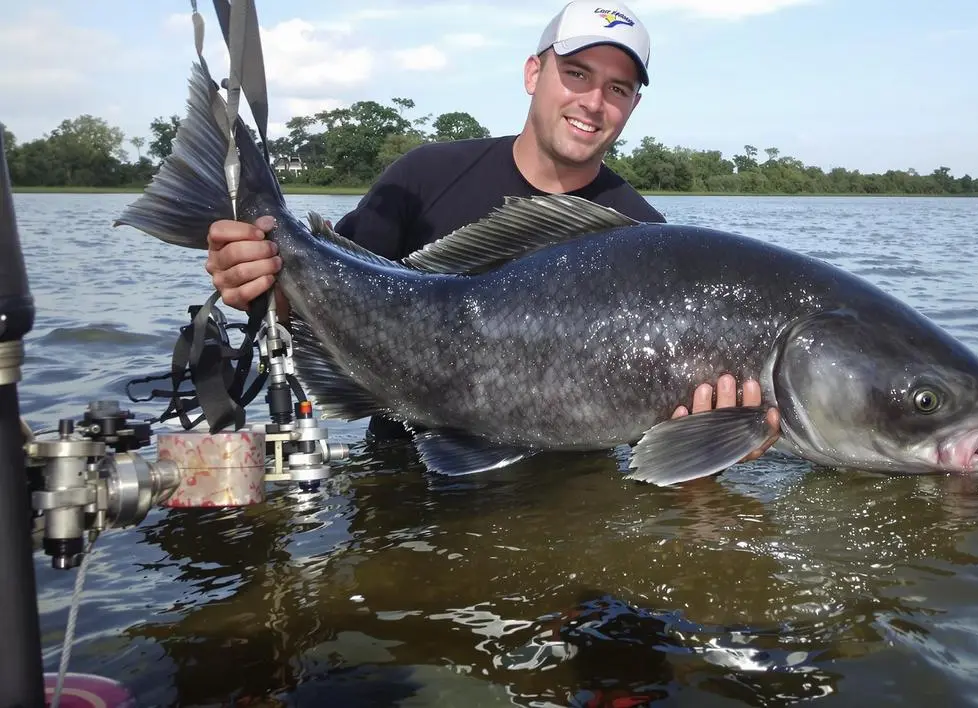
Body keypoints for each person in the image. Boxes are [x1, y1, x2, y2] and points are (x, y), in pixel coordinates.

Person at [204, 1, 780, 458]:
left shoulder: (646, 238)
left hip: (557, 497)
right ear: (534, 73)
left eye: (618, 88)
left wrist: (713, 442)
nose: (593, 102)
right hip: (402, 476)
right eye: (576, 73)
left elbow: (655, 452)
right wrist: (258, 278)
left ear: (632, 106)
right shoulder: (424, 176)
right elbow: (317, 300)